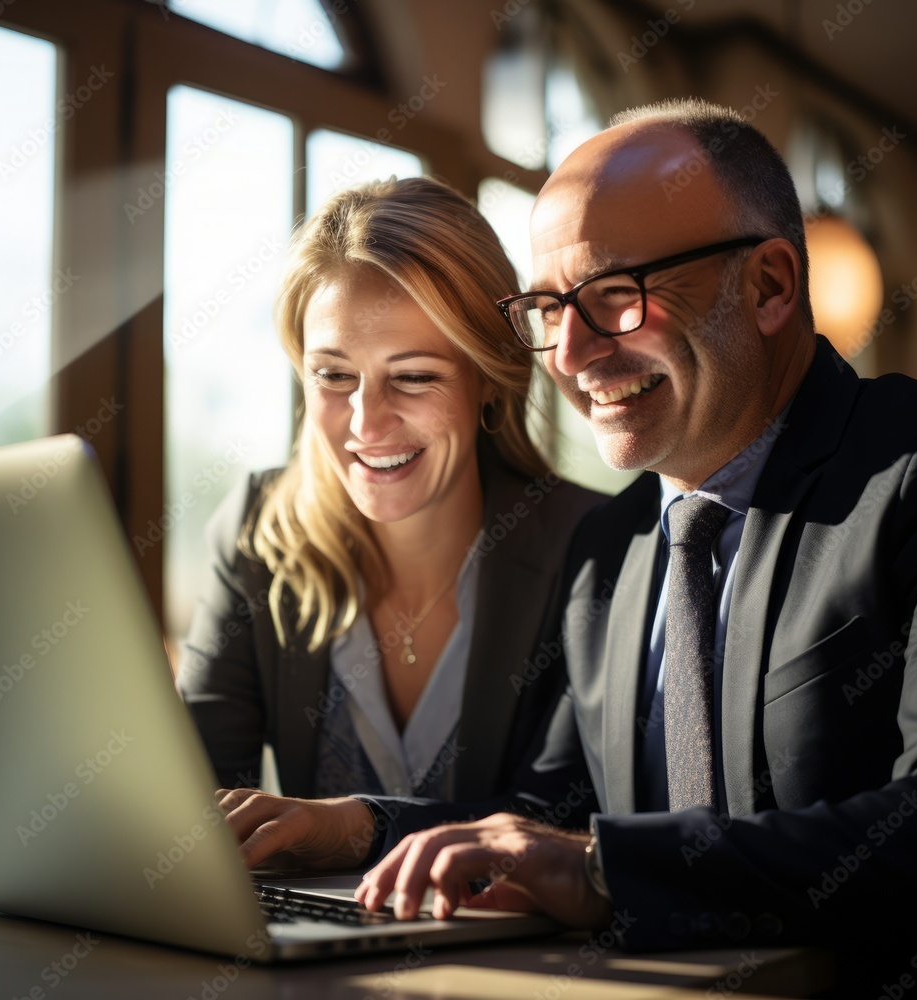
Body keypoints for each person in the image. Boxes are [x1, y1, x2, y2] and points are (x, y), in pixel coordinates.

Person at [216, 102, 917, 995]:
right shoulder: (615, 539)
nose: (570, 353)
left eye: (614, 297)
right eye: (552, 308)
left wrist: (602, 870)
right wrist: (358, 827)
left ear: (768, 286)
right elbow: (540, 821)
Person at [177, 176, 604, 807]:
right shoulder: (256, 531)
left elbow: (567, 827)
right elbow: (194, 803)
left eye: (412, 377)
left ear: (490, 380)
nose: (365, 422)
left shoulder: (595, 548)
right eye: (333, 374)